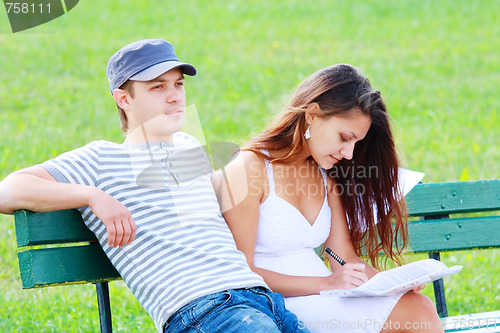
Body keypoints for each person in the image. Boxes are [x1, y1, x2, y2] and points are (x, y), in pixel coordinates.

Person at [0, 39, 310, 333]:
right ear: (124, 99)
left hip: (261, 299)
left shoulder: (188, 144)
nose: (175, 96)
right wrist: (91, 195)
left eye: (178, 84)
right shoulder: (102, 159)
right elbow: (8, 191)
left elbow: (200, 221)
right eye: (157, 87)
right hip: (203, 309)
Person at [216, 64, 444, 332]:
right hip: (278, 304)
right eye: (344, 138)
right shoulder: (249, 167)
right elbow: (242, 272)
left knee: (419, 305)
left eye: (355, 143)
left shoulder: (325, 176)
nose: (348, 153)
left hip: (328, 295)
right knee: (415, 313)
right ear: (313, 114)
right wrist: (324, 285)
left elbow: (343, 256)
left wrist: (392, 282)